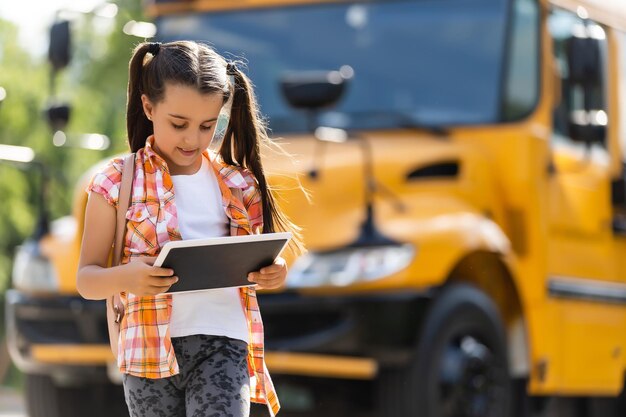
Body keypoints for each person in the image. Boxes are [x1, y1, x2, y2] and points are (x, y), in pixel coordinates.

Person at [77, 40, 302, 417]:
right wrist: (128, 277)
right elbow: (86, 279)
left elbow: (254, 262)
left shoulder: (239, 184)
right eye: (178, 124)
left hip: (223, 342)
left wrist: (272, 274)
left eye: (207, 126)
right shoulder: (116, 182)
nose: (192, 139)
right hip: (146, 351)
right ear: (149, 107)